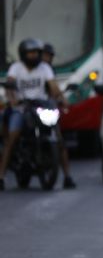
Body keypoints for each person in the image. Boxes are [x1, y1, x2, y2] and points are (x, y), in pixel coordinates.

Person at [0, 39, 73, 191]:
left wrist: (61, 98)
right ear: (23, 54)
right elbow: (10, 86)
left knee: (59, 138)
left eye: (36, 53)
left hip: (41, 107)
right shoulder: (16, 68)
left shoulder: (44, 68)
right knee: (12, 137)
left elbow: (53, 87)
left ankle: (67, 176)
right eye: (31, 53)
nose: (34, 56)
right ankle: (1, 176)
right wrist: (13, 101)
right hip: (21, 108)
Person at [39, 42, 77, 189]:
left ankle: (67, 176)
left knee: (60, 141)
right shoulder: (22, 69)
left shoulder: (47, 70)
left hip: (46, 110)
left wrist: (62, 100)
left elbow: (55, 91)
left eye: (49, 56)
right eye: (44, 55)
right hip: (29, 110)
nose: (46, 58)